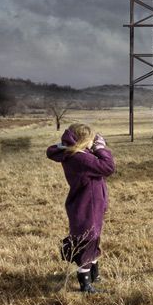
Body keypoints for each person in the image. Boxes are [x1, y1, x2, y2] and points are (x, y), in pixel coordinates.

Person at [46, 123, 115, 294]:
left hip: (87, 205)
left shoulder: (73, 154)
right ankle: (86, 285)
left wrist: (70, 143)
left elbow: (54, 149)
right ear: (84, 141)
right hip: (88, 206)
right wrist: (100, 148)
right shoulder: (81, 158)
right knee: (87, 242)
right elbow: (108, 167)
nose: (93, 143)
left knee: (92, 239)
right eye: (91, 140)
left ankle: (94, 275)